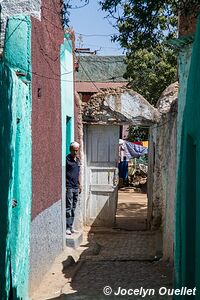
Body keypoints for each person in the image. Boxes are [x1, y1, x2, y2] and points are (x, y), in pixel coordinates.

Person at [66, 141, 81, 235]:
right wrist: (66, 186)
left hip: (76, 187)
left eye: (77, 150)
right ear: (70, 150)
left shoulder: (78, 160)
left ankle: (71, 227)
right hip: (69, 187)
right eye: (74, 150)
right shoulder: (67, 159)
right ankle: (67, 227)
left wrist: (80, 185)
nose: (75, 152)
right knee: (68, 207)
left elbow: (78, 173)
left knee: (73, 207)